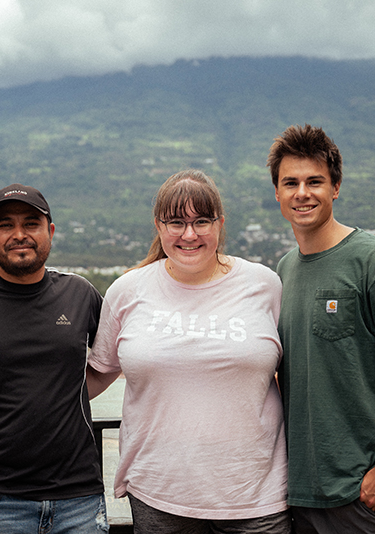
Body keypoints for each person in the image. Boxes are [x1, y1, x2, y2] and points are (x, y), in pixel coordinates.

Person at [85, 170, 290, 534]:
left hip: (255, 493)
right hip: (160, 492)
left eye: (201, 221)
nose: (189, 234)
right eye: (176, 222)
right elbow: (98, 371)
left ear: (220, 224)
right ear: (159, 226)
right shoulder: (128, 291)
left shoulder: (264, 285)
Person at [267, 124, 375, 534]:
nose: (302, 193)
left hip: (366, 492)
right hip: (304, 491)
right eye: (290, 183)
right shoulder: (284, 270)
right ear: (276, 193)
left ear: (336, 187)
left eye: (315, 181)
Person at [0, 184, 107, 533]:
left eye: (31, 223)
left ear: (50, 232)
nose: (19, 235)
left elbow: (114, 358)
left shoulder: (80, 293)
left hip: (79, 499)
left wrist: (65, 394)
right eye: (6, 225)